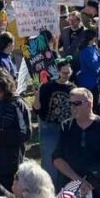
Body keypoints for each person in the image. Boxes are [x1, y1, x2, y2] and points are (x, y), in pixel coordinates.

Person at [33, 56, 74, 186]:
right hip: (49, 127)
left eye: (69, 72)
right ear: (57, 72)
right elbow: (37, 110)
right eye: (64, 73)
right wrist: (36, 98)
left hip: (66, 129)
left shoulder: (73, 88)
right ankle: (49, 190)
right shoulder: (46, 87)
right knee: (49, 162)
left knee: (65, 162)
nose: (66, 75)